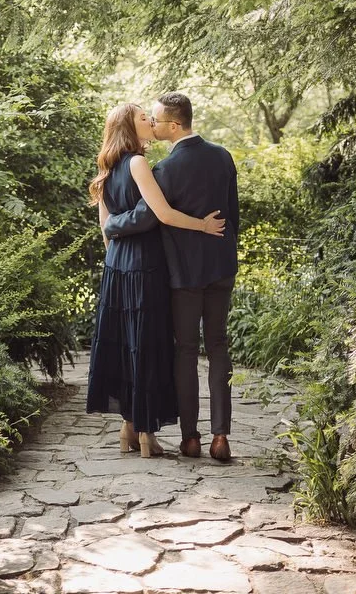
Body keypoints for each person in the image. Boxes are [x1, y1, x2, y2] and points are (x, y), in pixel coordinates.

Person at [105, 91, 240, 462]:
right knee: (218, 347)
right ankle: (221, 437)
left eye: (158, 120)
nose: (153, 123)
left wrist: (110, 224)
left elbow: (145, 218)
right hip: (220, 268)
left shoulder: (164, 169)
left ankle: (191, 438)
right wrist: (226, 255)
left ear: (174, 125)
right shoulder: (223, 157)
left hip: (182, 274)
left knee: (184, 352)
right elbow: (234, 216)